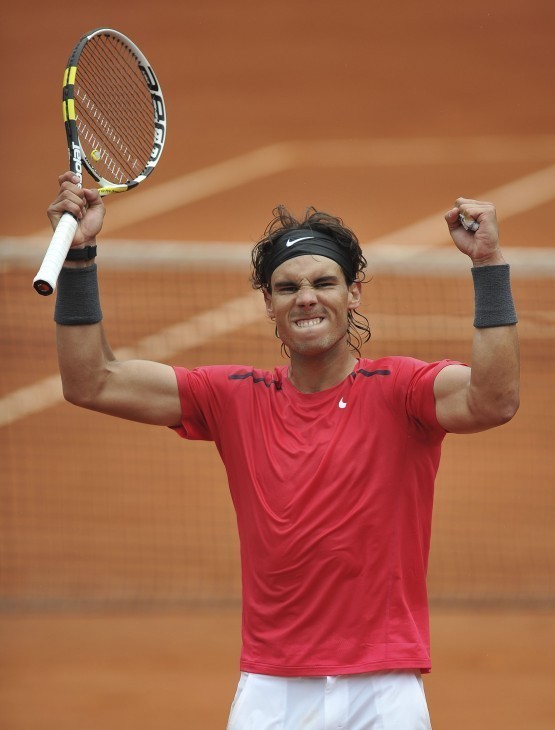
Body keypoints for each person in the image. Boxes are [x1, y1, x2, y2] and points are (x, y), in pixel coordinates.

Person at [47, 171, 520, 730]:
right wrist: (78, 259)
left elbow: (494, 400)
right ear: (267, 303)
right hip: (272, 689)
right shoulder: (232, 397)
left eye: (324, 282)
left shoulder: (403, 390)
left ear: (354, 292)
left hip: (384, 686)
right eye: (288, 287)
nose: (307, 299)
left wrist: (488, 266)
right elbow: (91, 382)